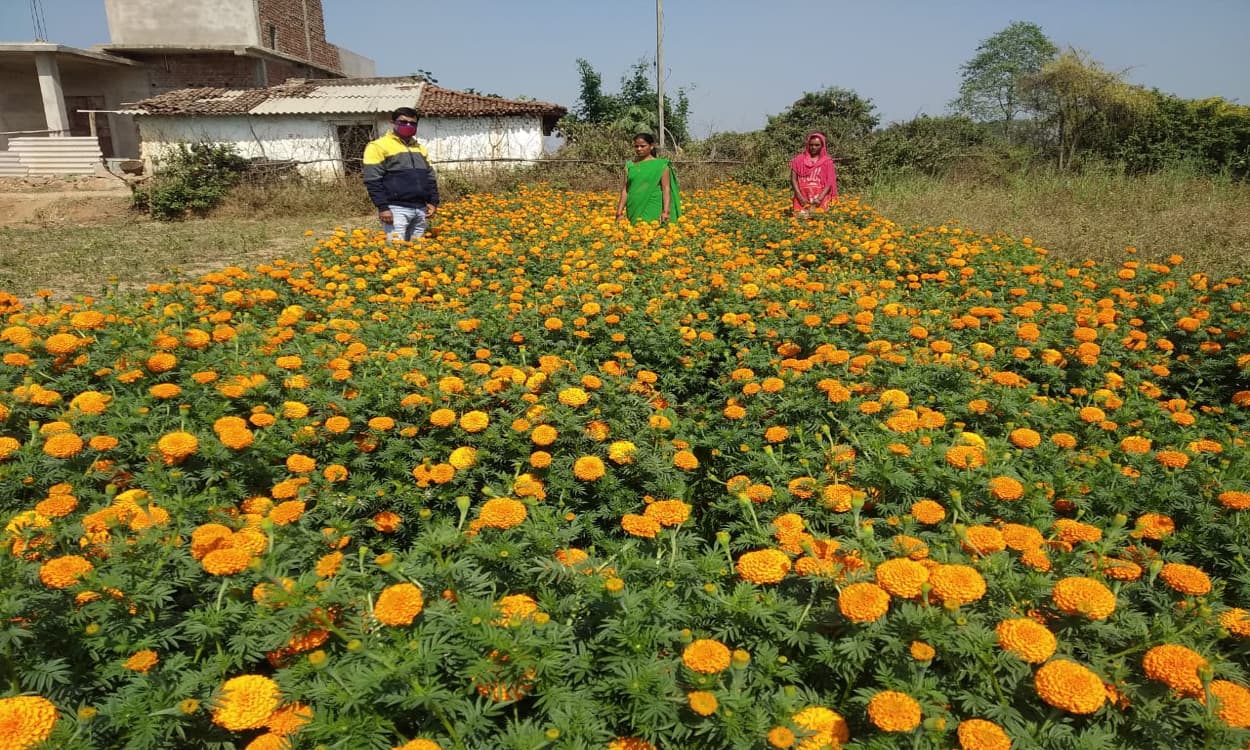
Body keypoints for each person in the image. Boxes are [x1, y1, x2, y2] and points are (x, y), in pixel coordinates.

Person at [362, 107, 439, 242]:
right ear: (393, 123)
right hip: (396, 209)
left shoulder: (419, 148)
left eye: (412, 123)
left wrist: (433, 202)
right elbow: (372, 180)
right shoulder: (378, 146)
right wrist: (383, 207)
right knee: (397, 251)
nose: (408, 125)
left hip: (421, 208)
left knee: (417, 250)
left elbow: (430, 177)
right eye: (403, 122)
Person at [616, 133, 681, 223]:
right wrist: (619, 212)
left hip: (653, 206)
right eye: (636, 146)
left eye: (643, 146)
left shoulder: (661, 165)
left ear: (651, 146)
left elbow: (666, 189)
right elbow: (625, 190)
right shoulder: (629, 165)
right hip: (633, 207)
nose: (639, 149)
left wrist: (666, 211)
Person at [790, 132, 837, 214]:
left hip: (820, 198)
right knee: (800, 222)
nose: (813, 147)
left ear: (822, 146)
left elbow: (829, 182)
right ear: (808, 145)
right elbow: (793, 179)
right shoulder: (798, 160)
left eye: (817, 145)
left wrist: (820, 198)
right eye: (811, 145)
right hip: (802, 197)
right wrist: (800, 197)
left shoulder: (827, 162)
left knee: (819, 222)